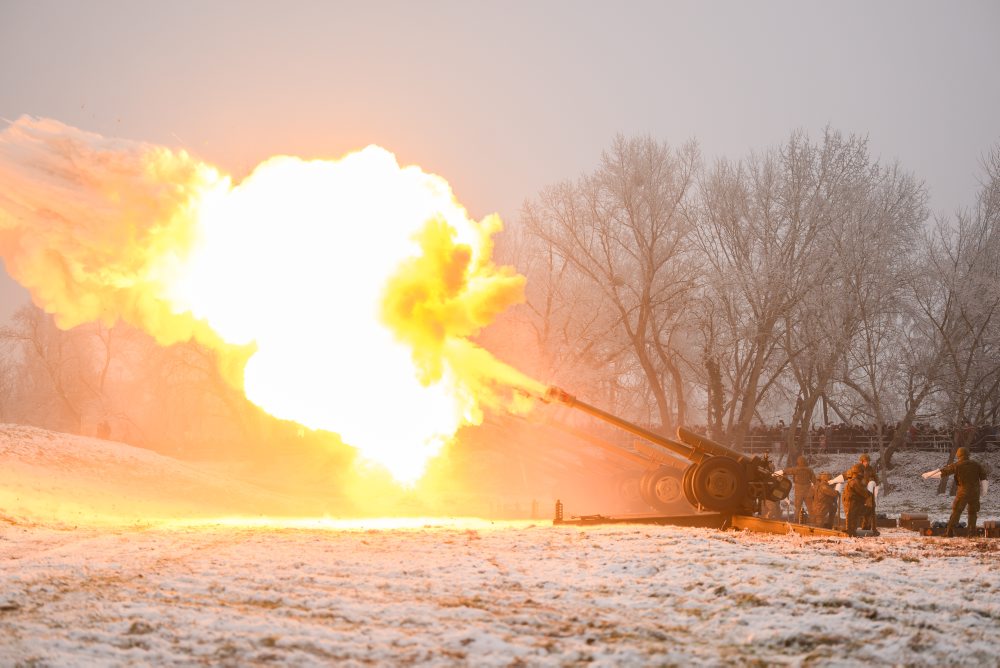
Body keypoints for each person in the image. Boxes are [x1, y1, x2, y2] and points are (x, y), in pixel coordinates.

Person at [939, 447, 988, 538]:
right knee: (972, 513)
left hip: (963, 492)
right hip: (975, 493)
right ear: (968, 454)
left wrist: (931, 474)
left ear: (958, 455)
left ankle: (949, 532)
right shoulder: (976, 464)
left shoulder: (957, 465)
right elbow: (984, 478)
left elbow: (944, 473)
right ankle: (971, 533)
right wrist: (984, 491)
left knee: (957, 511)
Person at [842, 465, 873, 537]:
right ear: (859, 472)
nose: (863, 473)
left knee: (853, 522)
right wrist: (869, 494)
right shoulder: (855, 481)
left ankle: (859, 530)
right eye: (862, 471)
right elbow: (863, 492)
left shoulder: (854, 481)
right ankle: (864, 530)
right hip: (853, 505)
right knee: (868, 511)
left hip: (854, 505)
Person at [784, 455, 815, 523]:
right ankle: (813, 522)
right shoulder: (810, 470)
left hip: (798, 491)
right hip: (808, 491)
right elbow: (814, 481)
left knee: (797, 508)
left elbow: (785, 471)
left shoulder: (795, 469)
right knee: (811, 508)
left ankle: (796, 521)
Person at [857, 454, 880, 530]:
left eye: (868, 461)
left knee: (870, 508)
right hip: (860, 492)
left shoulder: (871, 469)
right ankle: (855, 526)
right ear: (861, 461)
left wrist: (875, 483)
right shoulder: (857, 469)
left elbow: (876, 478)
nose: (867, 463)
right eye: (865, 461)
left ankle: (867, 526)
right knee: (859, 510)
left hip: (869, 492)